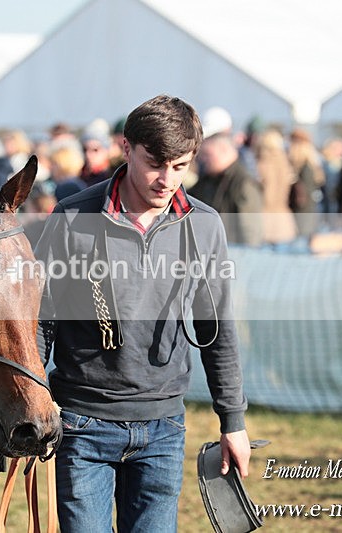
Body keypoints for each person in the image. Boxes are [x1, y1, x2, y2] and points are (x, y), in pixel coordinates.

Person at [35, 95, 250, 532]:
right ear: (126, 148)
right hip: (81, 422)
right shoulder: (73, 216)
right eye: (155, 163)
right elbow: (40, 320)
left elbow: (218, 329)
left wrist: (233, 421)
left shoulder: (204, 225)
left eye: (180, 166)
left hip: (164, 425)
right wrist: (32, 406)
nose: (167, 179)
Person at [190, 132, 263, 246]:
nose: (203, 159)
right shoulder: (209, 179)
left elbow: (250, 229)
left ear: (224, 150)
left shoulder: (243, 183)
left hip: (233, 249)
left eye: (207, 154)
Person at [256, 128, 298, 245]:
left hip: (266, 218)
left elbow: (267, 194)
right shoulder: (285, 164)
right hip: (284, 218)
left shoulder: (262, 164)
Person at [287, 128, 325, 238]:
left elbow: (303, 195)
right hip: (309, 210)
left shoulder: (304, 167)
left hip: (303, 212)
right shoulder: (312, 163)